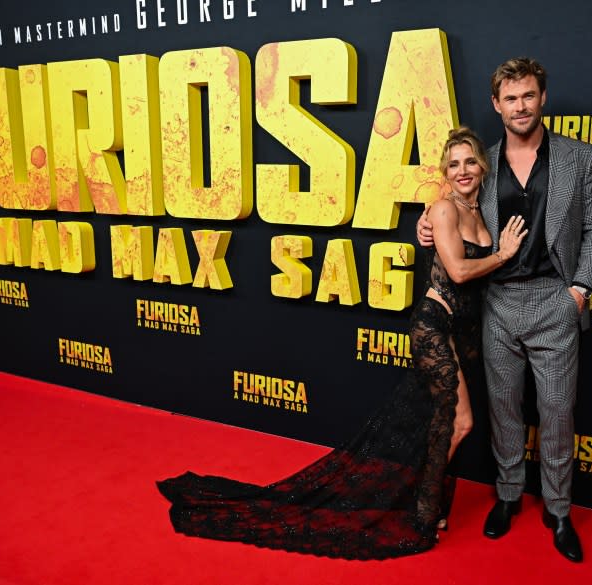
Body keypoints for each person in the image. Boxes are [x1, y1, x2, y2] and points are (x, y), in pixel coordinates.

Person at [157, 127, 528, 560]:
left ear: (482, 166)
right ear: (443, 171)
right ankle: (421, 513)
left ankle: (428, 505)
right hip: (436, 325)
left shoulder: (481, 213)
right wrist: (503, 254)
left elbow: (457, 265)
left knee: (439, 424)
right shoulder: (444, 209)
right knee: (459, 423)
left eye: (469, 162)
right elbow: (460, 272)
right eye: (453, 163)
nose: (462, 170)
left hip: (465, 333)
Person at [417, 57, 592, 563]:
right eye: (510, 98)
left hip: (555, 300)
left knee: (557, 412)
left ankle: (559, 509)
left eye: (528, 96)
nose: (520, 106)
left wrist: (581, 290)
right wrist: (426, 223)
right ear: (496, 105)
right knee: (503, 411)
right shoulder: (486, 162)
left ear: (542, 98)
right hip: (497, 304)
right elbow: (451, 203)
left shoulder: (577, 157)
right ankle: (506, 496)